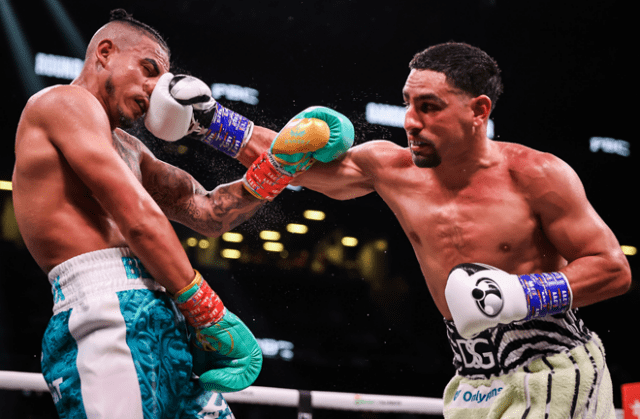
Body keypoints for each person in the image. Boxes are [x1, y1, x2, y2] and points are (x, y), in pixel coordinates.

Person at [172, 42, 631, 418]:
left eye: (429, 107)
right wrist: (209, 120)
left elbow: (613, 269)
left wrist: (519, 295)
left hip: (551, 366)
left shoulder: (537, 175)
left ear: (479, 110)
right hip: (471, 377)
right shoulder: (391, 168)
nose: (411, 120)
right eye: (408, 103)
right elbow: (292, 160)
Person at [12, 8, 353, 419]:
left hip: (165, 315)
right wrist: (207, 311)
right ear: (104, 52)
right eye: (149, 69)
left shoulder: (132, 150)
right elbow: (138, 218)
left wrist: (275, 162)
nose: (157, 90)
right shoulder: (62, 103)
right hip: (104, 307)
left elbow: (209, 212)